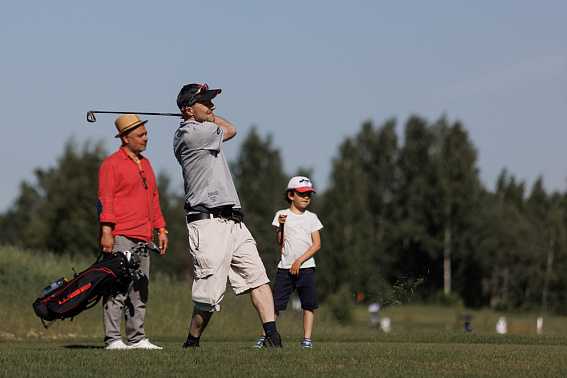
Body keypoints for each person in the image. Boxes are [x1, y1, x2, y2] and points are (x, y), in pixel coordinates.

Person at [173, 83, 282, 348]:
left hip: (233, 221)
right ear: (188, 110)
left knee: (257, 276)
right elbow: (231, 129)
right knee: (209, 296)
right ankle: (192, 342)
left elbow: (226, 127)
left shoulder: (201, 127)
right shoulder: (191, 134)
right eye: (206, 103)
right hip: (207, 224)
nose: (213, 107)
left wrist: (202, 113)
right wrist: (202, 117)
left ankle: (273, 338)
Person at [98, 114, 169, 350]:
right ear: (125, 138)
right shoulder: (112, 164)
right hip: (121, 237)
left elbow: (154, 200)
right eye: (140, 135)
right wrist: (107, 232)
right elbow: (105, 200)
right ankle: (113, 340)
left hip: (144, 238)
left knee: (139, 291)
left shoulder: (146, 164)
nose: (145, 138)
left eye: (146, 134)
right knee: (117, 290)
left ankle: (137, 339)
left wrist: (161, 228)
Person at [253, 176, 323, 349]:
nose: (306, 197)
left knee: (308, 305)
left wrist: (299, 261)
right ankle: (265, 337)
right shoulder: (281, 215)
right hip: (285, 268)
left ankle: (307, 339)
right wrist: (282, 226)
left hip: (305, 267)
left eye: (309, 194)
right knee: (274, 305)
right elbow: (280, 241)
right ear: (291, 195)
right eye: (302, 194)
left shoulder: (312, 217)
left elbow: (317, 244)